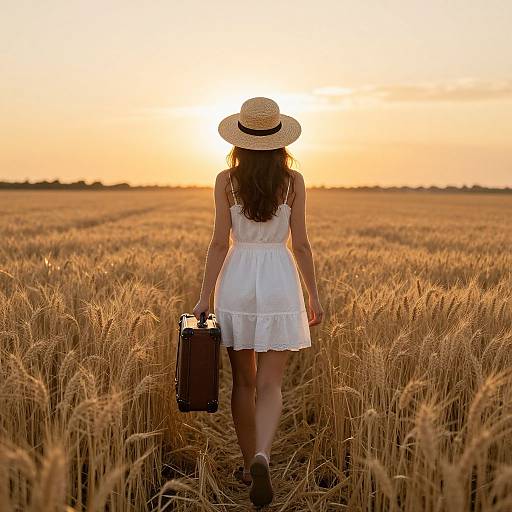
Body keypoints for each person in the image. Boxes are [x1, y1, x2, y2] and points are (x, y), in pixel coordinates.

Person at [193, 96, 323, 507]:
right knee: (270, 384)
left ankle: (251, 465)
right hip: (280, 279)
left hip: (237, 280)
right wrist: (313, 295)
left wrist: (204, 297)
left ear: (241, 138)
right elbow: (300, 244)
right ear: (279, 139)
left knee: (243, 383)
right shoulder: (294, 182)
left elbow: (218, 242)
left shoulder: (225, 180)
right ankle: (265, 453)